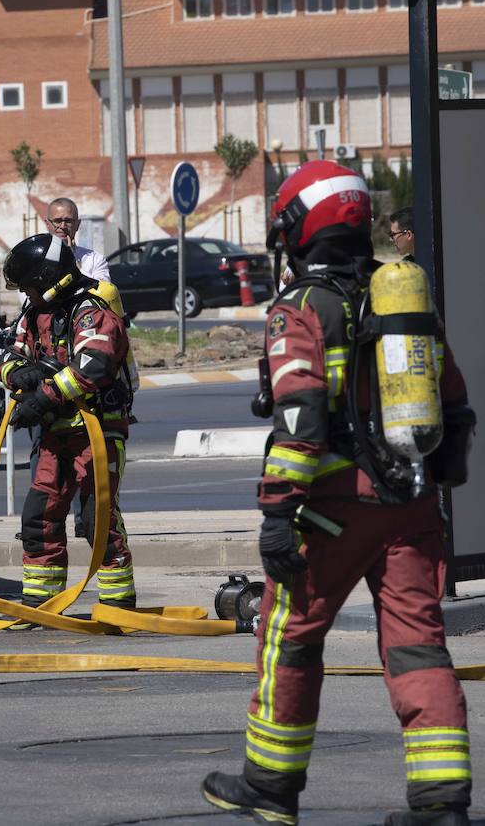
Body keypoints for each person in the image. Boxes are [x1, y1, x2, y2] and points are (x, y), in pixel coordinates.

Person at [201, 161, 475, 826]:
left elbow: (300, 417)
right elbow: (454, 404)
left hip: (328, 511)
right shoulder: (401, 298)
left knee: (288, 637)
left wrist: (276, 512)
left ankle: (269, 787)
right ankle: (441, 803)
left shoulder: (301, 310)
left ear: (302, 229)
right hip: (409, 506)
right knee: (418, 644)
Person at [0, 234, 136, 610]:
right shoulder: (35, 313)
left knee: (97, 519)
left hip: (97, 431)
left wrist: (44, 396)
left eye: (29, 284)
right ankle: (41, 603)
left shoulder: (91, 311)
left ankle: (118, 604)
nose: (27, 292)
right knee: (39, 516)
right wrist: (18, 375)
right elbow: (10, 356)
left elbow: (93, 365)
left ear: (47, 277)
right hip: (55, 433)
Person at [45, 198, 110, 282]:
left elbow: (103, 292)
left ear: (77, 224)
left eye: (68, 221)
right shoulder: (36, 258)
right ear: (47, 224)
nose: (63, 226)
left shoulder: (95, 260)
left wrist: (75, 266)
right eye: (57, 221)